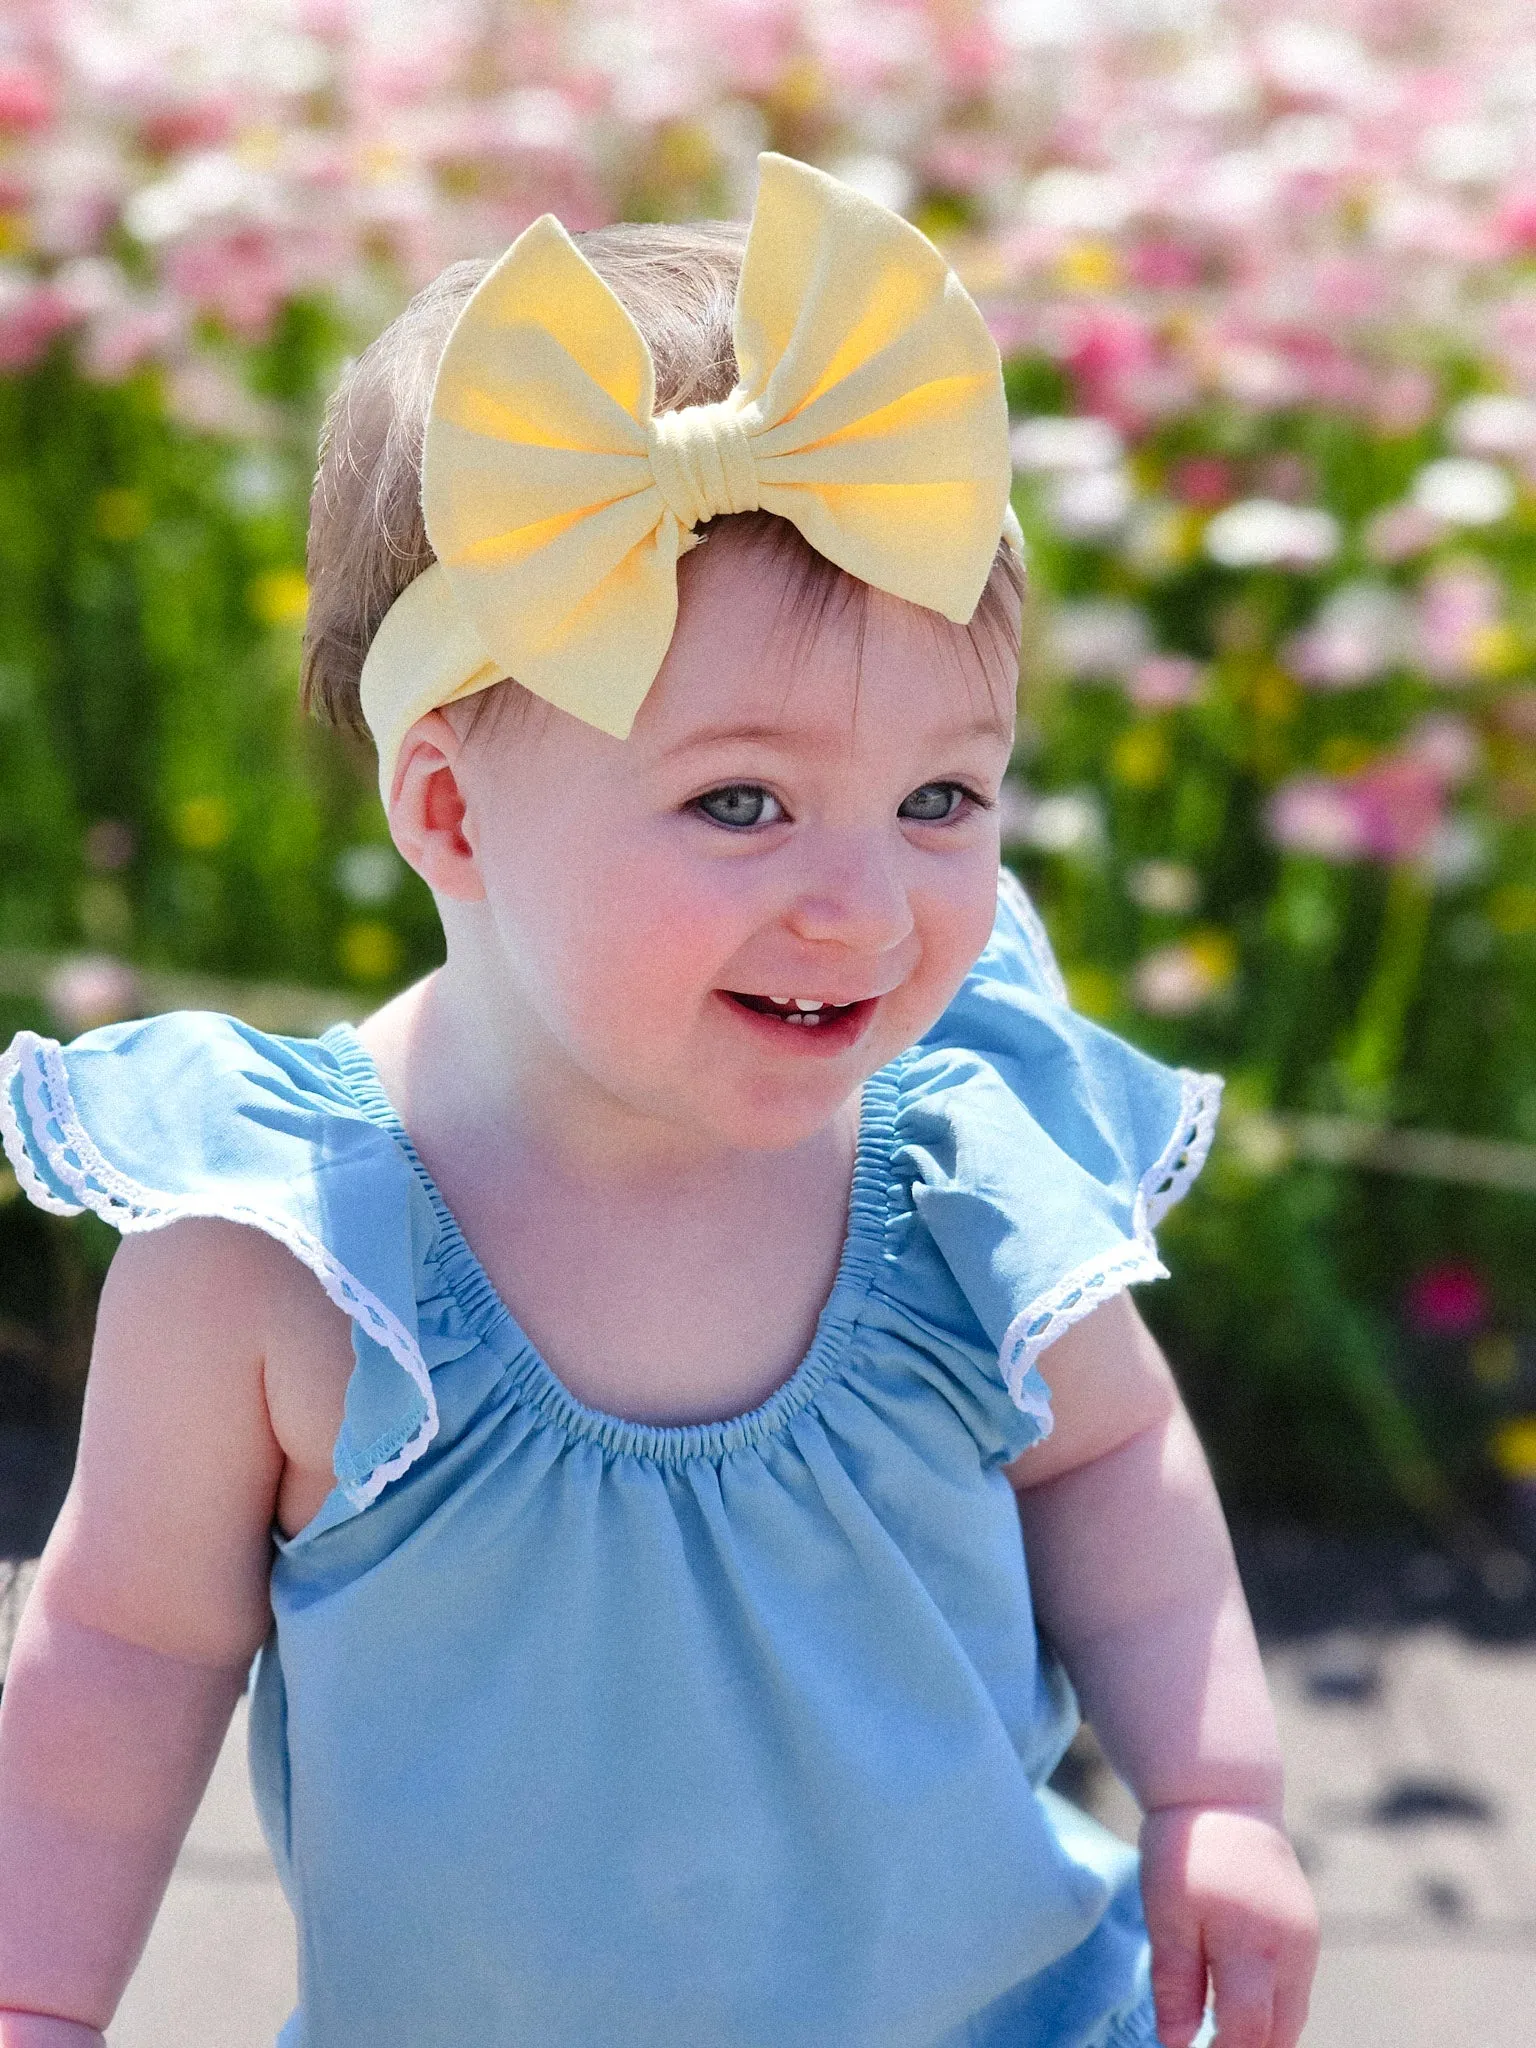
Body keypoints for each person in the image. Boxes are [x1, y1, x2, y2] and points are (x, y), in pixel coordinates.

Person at [0, 153, 1317, 2048]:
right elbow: (124, 1644)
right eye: (740, 803)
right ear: (450, 809)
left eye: (943, 797)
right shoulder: (286, 1255)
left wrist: (1215, 1793)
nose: (865, 906)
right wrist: (42, 2000)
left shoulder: (948, 1173)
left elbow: (1105, 1455)